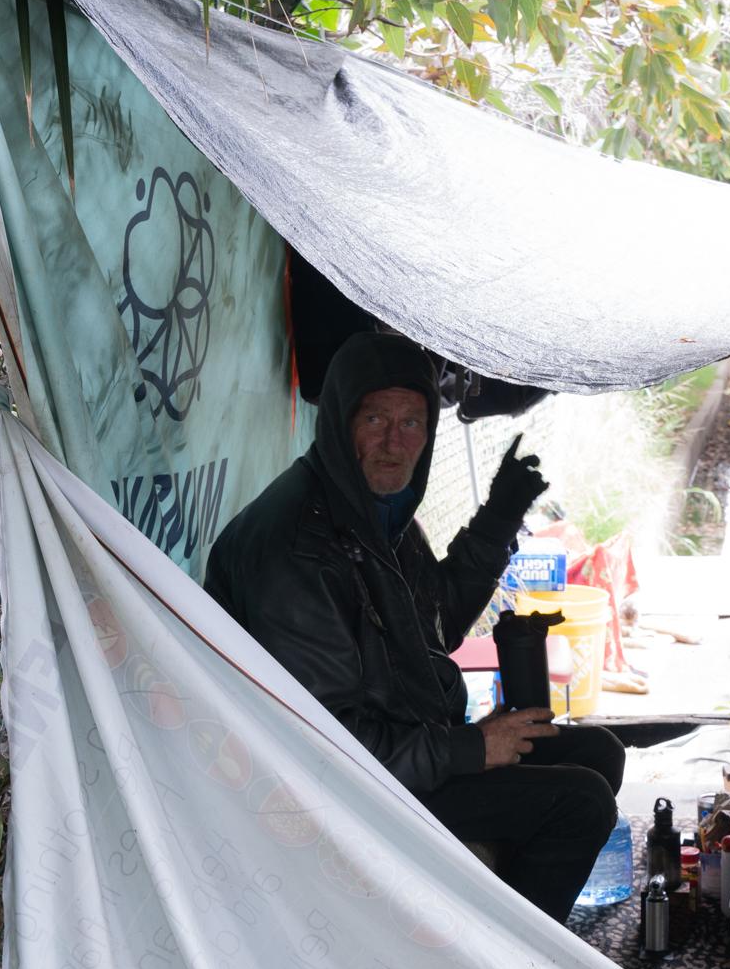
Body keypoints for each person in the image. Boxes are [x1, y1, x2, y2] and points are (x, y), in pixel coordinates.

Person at [204, 332, 625, 923]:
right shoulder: (298, 551)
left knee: (597, 750)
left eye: (412, 422)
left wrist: (497, 521)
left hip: (400, 752)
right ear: (340, 424)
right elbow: (328, 744)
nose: (393, 442)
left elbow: (436, 623)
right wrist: (471, 747)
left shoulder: (374, 513)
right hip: (328, 795)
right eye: (374, 418)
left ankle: (498, 925)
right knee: (579, 802)